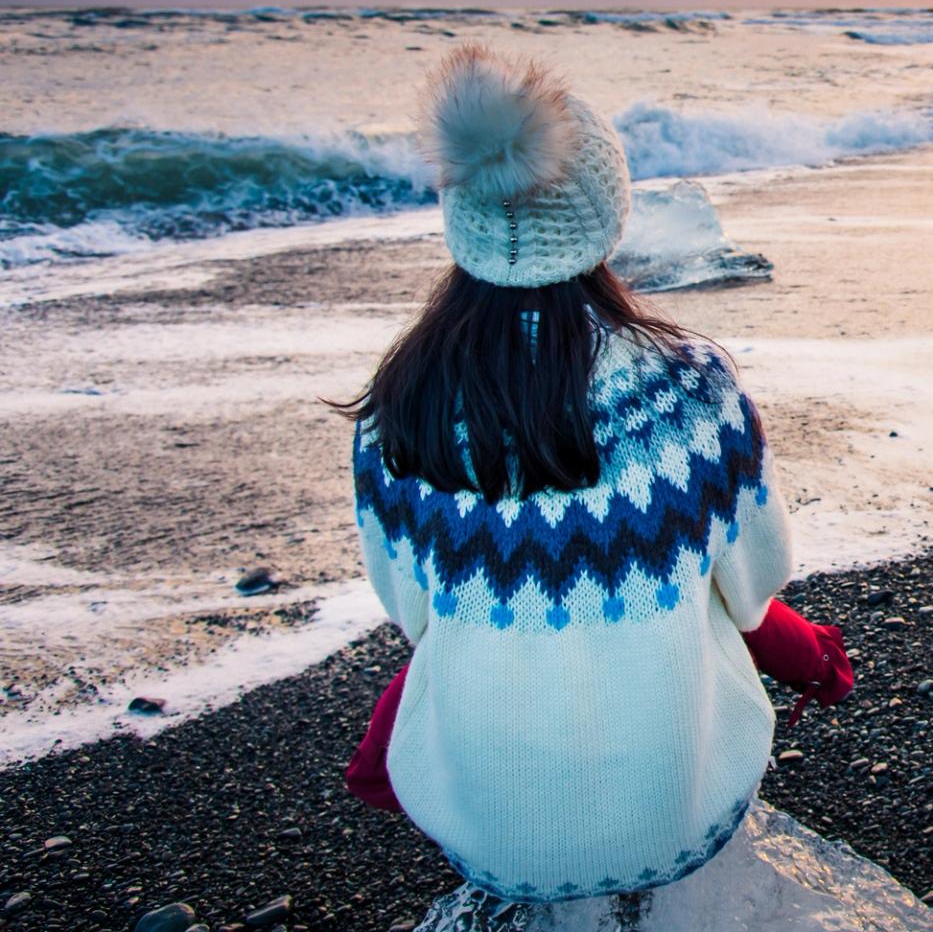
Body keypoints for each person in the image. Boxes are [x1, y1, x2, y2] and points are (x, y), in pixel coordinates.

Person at [335, 46, 850, 928]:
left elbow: (413, 615)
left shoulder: (399, 408)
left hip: (488, 835)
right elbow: (757, 582)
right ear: (607, 218)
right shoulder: (689, 388)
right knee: (704, 587)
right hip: (679, 814)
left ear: (460, 218)